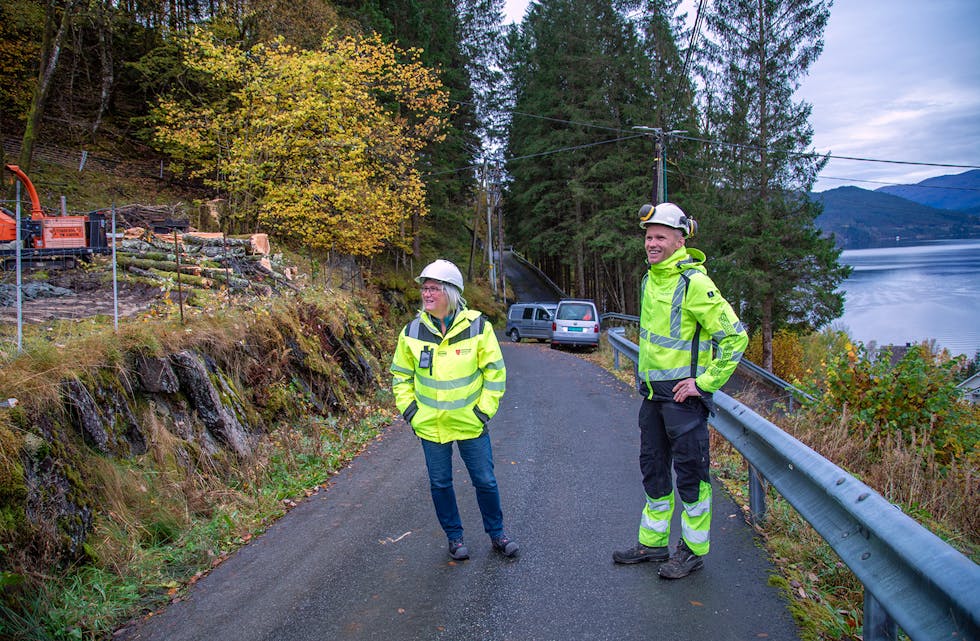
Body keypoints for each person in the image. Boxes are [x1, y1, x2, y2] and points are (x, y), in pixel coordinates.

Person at [613, 202, 748, 579]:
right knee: (654, 473)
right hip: (653, 398)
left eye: (660, 237)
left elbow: (736, 339)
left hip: (684, 401)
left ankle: (691, 551)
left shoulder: (695, 283)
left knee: (690, 478)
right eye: (648, 237)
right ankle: (654, 544)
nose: (651, 244)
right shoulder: (650, 279)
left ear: (679, 239)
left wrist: (704, 383)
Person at [390, 259, 518, 560]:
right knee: (440, 483)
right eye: (425, 288)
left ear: (450, 292)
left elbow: (495, 374)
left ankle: (497, 534)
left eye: (434, 288)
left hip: (471, 423)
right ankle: (455, 538)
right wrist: (413, 414)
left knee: (485, 480)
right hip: (431, 426)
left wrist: (482, 412)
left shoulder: (478, 327)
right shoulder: (412, 331)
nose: (427, 294)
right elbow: (400, 377)